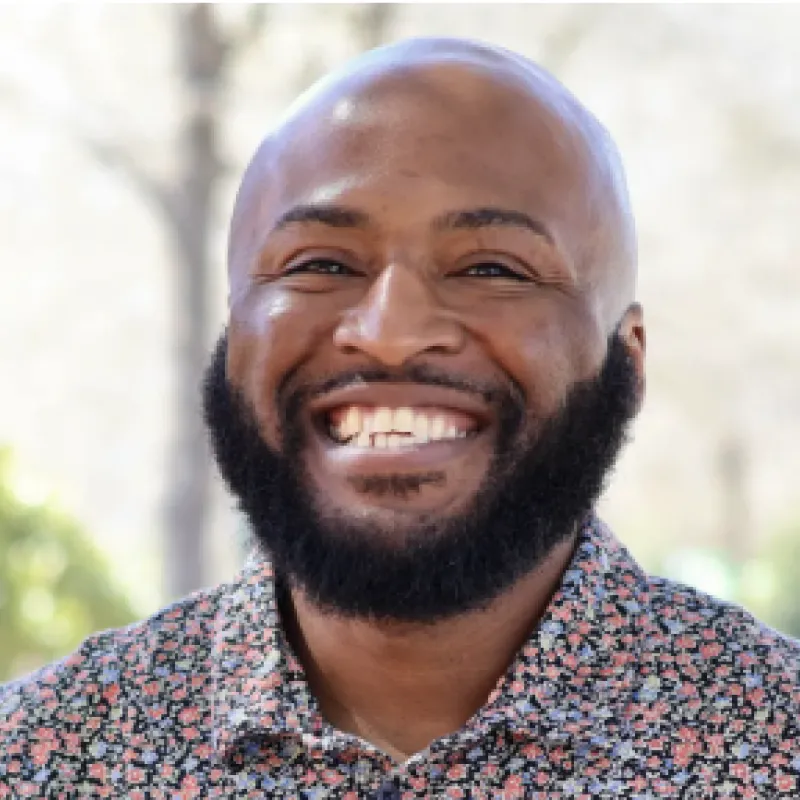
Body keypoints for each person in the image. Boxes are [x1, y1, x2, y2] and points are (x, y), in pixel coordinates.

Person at [1, 36, 798, 799]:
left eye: (493, 267)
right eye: (320, 264)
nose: (389, 332)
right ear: (236, 334)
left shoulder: (774, 747)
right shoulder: (40, 759)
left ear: (626, 356)